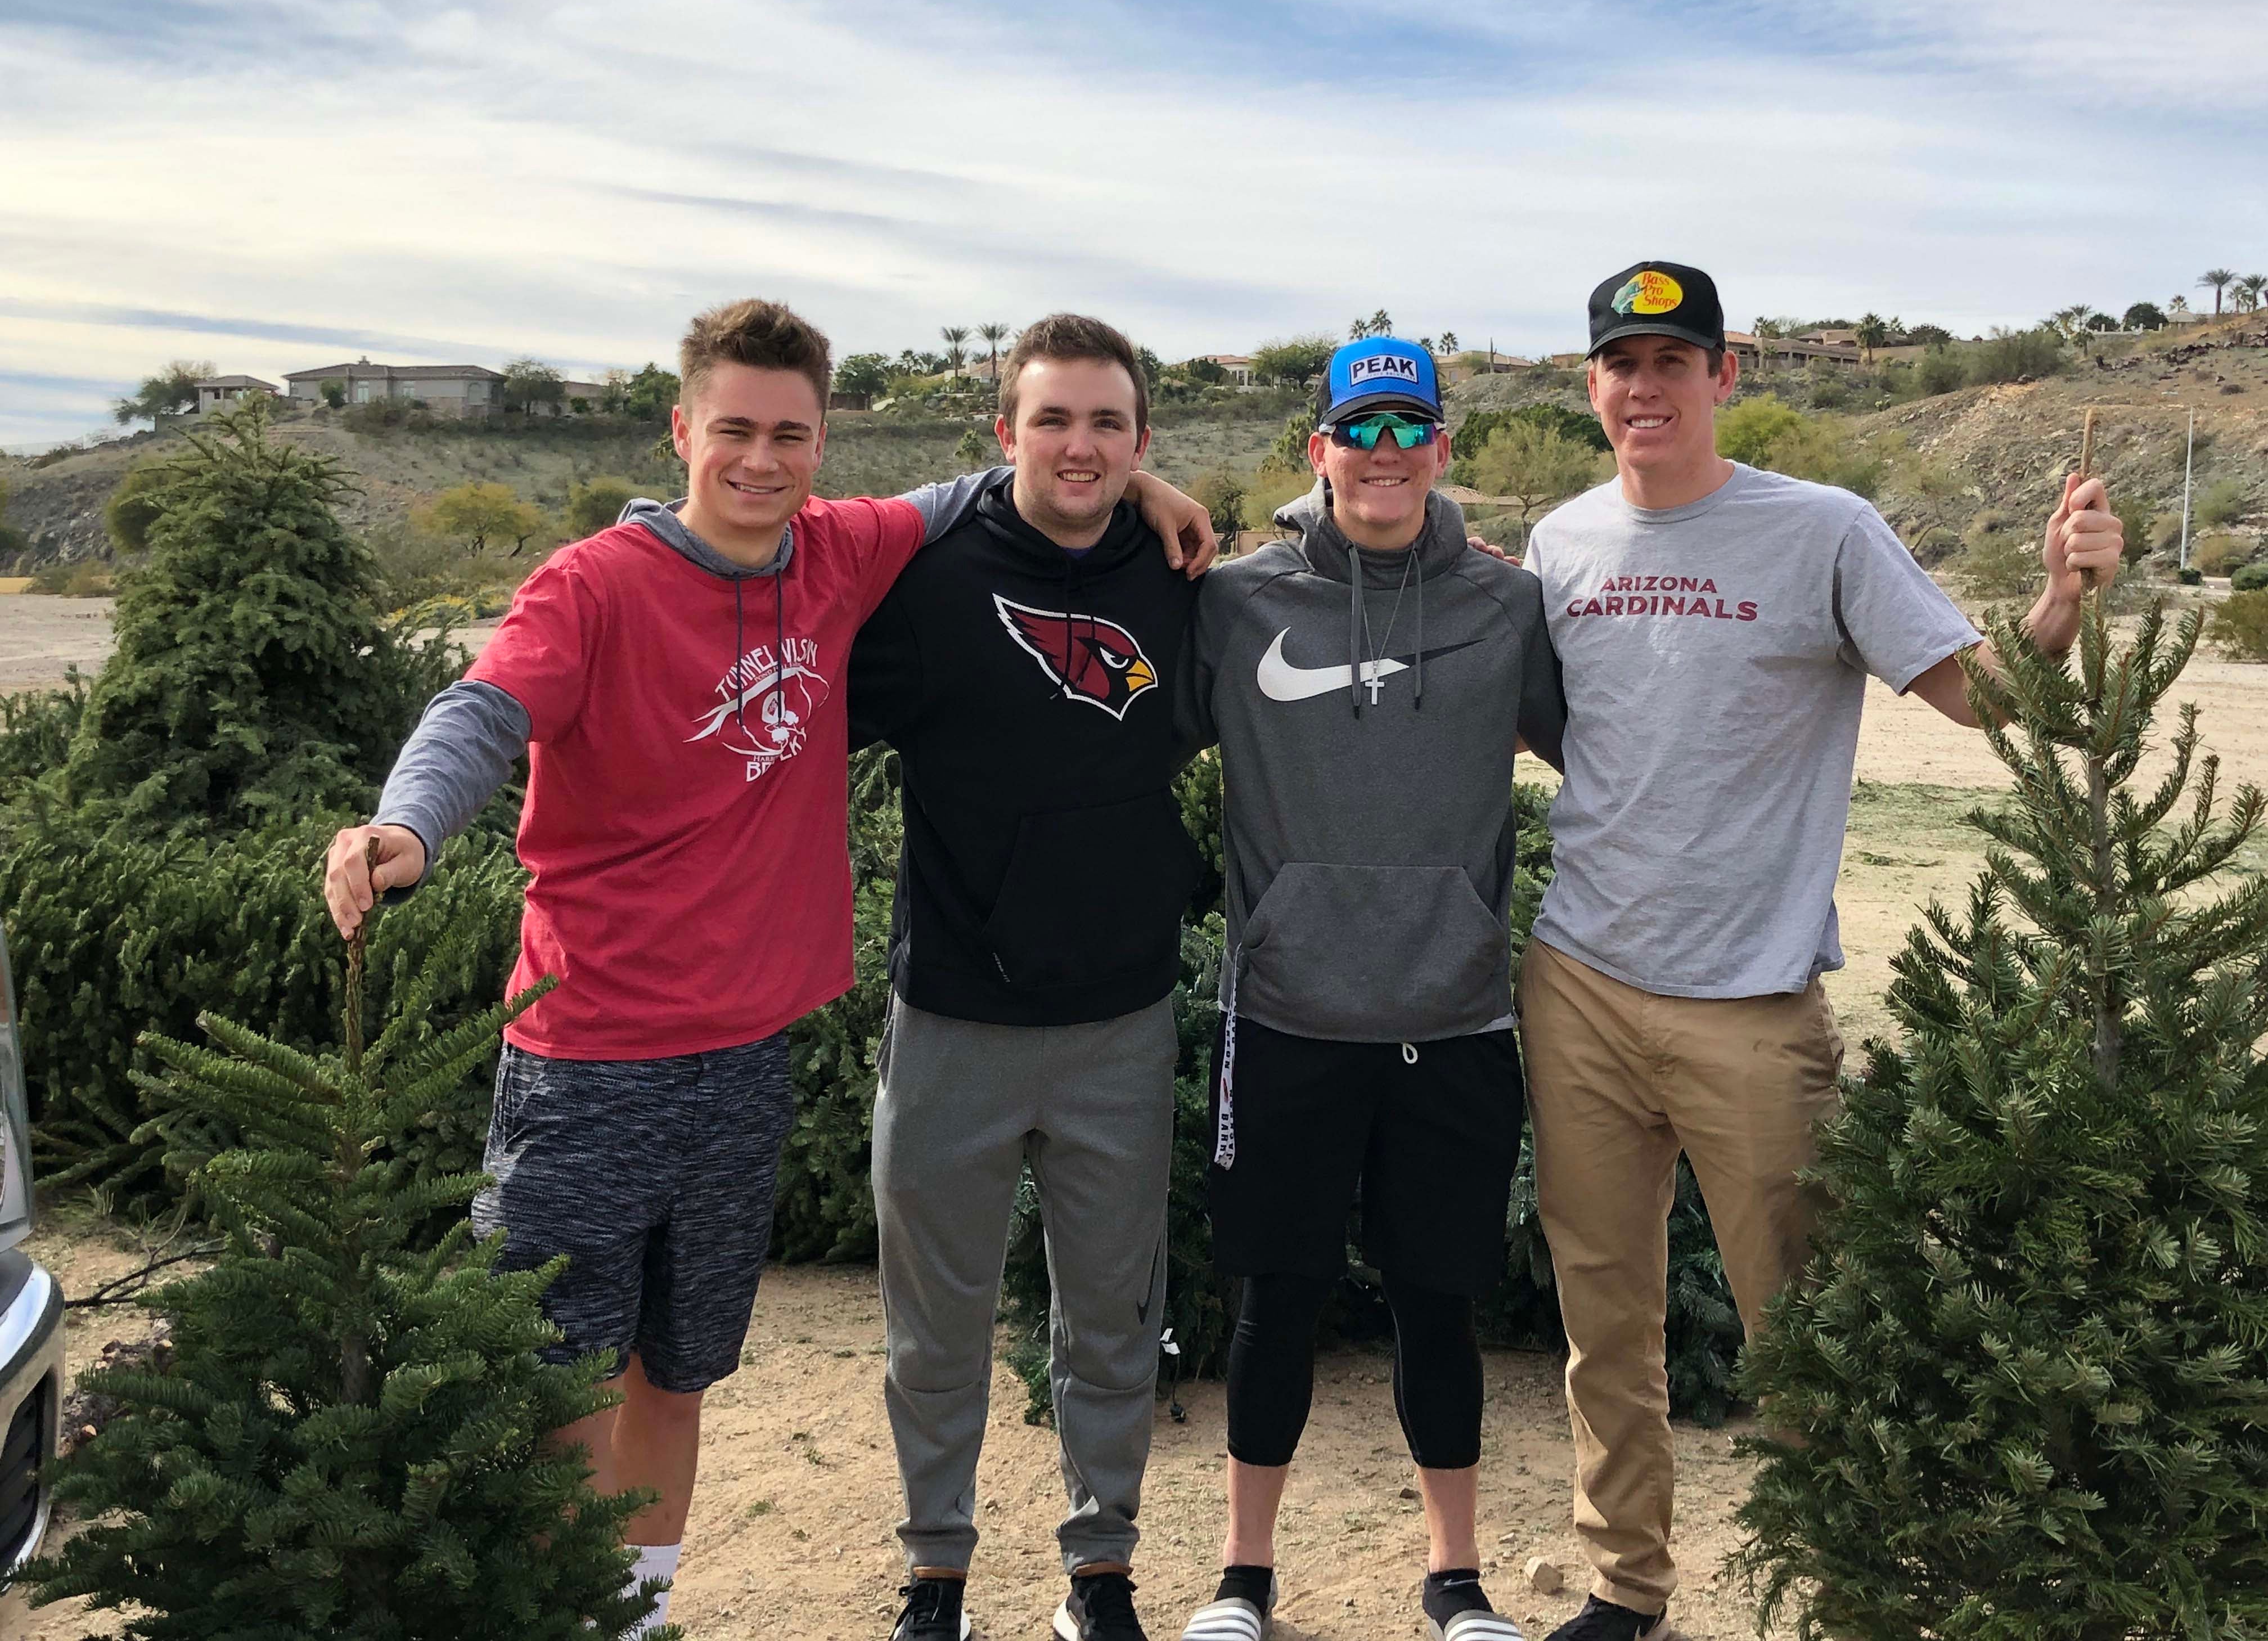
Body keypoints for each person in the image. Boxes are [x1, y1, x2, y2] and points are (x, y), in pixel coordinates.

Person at [320, 298, 1213, 1638]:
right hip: (597, 1051)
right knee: (559, 1378)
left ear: (821, 442)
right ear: (681, 430)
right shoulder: (596, 585)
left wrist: (1138, 477)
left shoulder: (843, 550)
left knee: (676, 1375)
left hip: (751, 1053)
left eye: (788, 433)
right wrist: (408, 821)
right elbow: (482, 708)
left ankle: (643, 1611)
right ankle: (582, 1613)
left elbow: (991, 480)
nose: (760, 457)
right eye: (732, 429)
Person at [1516, 262, 2125, 1641]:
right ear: (1592, 386)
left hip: (1753, 1003)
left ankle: (1846, 1587)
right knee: (1604, 1320)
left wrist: (2065, 596)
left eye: (1677, 361)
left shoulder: (1825, 532)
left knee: (1808, 1326)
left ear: (1726, 377)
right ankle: (1625, 1585)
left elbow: (1989, 700)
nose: (1647, 386)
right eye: (1624, 363)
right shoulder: (1559, 544)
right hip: (1579, 987)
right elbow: (1548, 732)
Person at [1173, 336, 1565, 1641]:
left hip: (1454, 1015)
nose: (1385, 454)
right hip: (1283, 1011)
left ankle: (1456, 1581)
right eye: (1361, 430)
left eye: (1410, 429)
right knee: (1273, 1300)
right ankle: (1244, 1577)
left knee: (1436, 1303)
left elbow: (1611, 746)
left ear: (1442, 448)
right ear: (1319, 449)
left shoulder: (1507, 606)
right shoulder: (1236, 603)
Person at [849, 313, 1207, 1641]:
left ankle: (1098, 1571)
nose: (1079, 444)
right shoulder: (927, 576)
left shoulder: (1182, 577)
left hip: (1121, 1018)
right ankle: (936, 1569)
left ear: (1140, 442)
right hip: (952, 1017)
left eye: (1107, 423)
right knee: (932, 1332)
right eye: (1052, 418)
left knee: (1111, 1323)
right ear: (1003, 432)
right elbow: (761, 605)